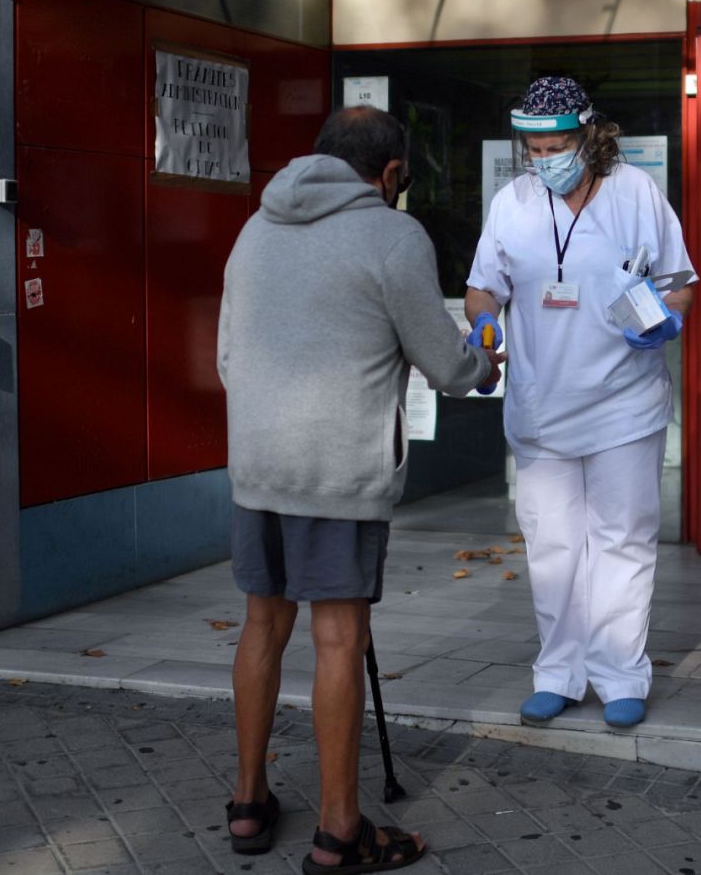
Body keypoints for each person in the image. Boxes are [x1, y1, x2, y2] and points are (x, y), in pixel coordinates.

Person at [216, 106, 501, 873]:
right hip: (336, 469)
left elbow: (227, 357)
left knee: (262, 625)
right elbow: (448, 365)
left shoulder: (255, 229)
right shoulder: (393, 235)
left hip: (258, 466)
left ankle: (248, 803)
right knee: (338, 637)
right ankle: (340, 831)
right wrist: (485, 360)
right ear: (390, 173)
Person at [464, 76, 695, 729]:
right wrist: (484, 323)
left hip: (625, 402)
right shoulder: (512, 204)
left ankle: (621, 674)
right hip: (541, 406)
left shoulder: (636, 194)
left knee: (622, 540)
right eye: (533, 149)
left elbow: (677, 281)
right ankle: (559, 673)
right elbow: (482, 287)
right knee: (554, 546)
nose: (544, 160)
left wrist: (667, 318)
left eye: (556, 146)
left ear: (589, 136)